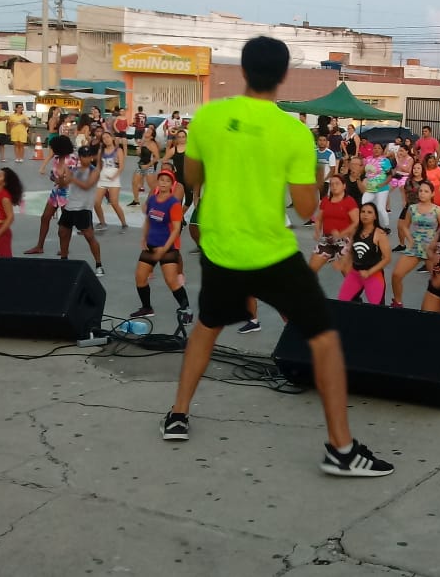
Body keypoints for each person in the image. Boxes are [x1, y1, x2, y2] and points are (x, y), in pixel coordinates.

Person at [161, 37, 392, 476]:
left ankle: (178, 413)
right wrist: (322, 176)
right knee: (324, 338)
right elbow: (306, 210)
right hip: (271, 253)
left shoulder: (210, 116)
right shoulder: (293, 132)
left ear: (244, 71)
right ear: (284, 76)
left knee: (206, 330)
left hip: (221, 248)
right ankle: (341, 449)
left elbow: (191, 176)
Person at [390, 181, 440, 308]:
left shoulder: (437, 210)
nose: (422, 193)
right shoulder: (412, 208)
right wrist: (410, 239)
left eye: (426, 191)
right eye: (420, 191)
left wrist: (435, 242)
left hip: (431, 247)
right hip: (415, 246)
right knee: (396, 274)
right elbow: (404, 226)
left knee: (437, 280)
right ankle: (397, 302)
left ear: (432, 194)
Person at [57, 146, 106, 277]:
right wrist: (61, 177)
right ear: (79, 157)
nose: (85, 158)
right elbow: (62, 185)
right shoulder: (74, 170)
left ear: (91, 157)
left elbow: (87, 186)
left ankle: (99, 264)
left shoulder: (94, 171)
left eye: (88, 155)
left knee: (89, 236)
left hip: (84, 208)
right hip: (70, 206)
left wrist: (70, 177)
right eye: (83, 155)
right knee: (62, 232)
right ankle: (64, 259)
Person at [24, 135, 77, 255]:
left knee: (65, 223)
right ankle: (39, 246)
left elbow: (70, 179)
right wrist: (55, 178)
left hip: (68, 193)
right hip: (56, 191)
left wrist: (59, 180)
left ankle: (64, 248)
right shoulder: (57, 158)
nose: (51, 149)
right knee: (45, 217)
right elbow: (54, 176)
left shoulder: (72, 159)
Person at [337, 202, 392, 305]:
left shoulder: (380, 234)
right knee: (342, 302)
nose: (365, 214)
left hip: (373, 275)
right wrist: (343, 262)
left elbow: (387, 258)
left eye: (369, 212)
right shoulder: (355, 230)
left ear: (375, 216)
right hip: (355, 273)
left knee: (377, 309)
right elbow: (350, 251)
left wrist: (369, 272)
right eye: (363, 212)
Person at [309, 173, 359, 274]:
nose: (334, 186)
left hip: (344, 240)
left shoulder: (349, 201)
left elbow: (356, 222)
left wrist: (342, 233)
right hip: (327, 239)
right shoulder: (326, 200)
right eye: (332, 184)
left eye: (337, 183)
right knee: (310, 270)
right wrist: (317, 231)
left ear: (344, 186)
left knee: (347, 273)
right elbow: (319, 219)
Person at [94, 131, 129, 232]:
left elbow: (121, 166)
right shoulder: (101, 151)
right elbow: (98, 166)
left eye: (108, 137)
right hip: (102, 178)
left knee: (114, 202)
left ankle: (124, 223)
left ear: (112, 138)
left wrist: (114, 176)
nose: (106, 140)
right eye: (104, 138)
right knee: (96, 203)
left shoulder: (118, 150)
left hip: (113, 178)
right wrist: (95, 176)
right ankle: (102, 222)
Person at [129, 125, 160, 206]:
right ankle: (136, 200)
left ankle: (156, 201)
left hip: (149, 167)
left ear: (152, 136)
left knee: (152, 186)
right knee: (134, 182)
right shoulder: (143, 142)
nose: (146, 132)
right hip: (141, 165)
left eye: (149, 132)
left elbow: (157, 157)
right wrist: (139, 148)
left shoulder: (152, 144)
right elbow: (140, 155)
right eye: (147, 131)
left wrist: (148, 165)